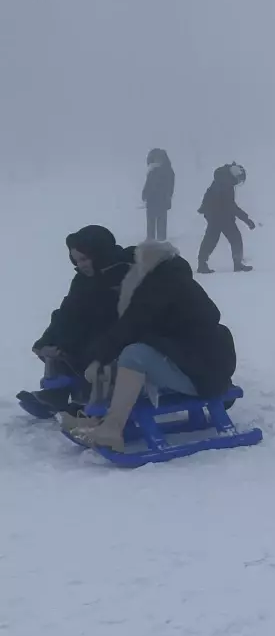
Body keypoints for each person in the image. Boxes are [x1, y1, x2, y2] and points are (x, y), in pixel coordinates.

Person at [59, 240, 238, 453]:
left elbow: (132, 324)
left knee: (135, 355)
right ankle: (98, 420)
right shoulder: (171, 279)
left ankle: (112, 429)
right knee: (130, 354)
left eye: (136, 262)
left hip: (203, 374)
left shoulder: (161, 285)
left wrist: (97, 358)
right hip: (197, 366)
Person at [17, 226, 134, 417]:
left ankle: (87, 398)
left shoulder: (123, 275)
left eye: (85, 259)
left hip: (120, 342)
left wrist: (66, 343)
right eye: (77, 260)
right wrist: (45, 343)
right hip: (94, 340)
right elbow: (67, 312)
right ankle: (57, 393)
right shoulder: (83, 279)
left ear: (100, 254)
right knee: (61, 330)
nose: (81, 265)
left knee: (76, 341)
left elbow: (109, 318)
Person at [197, 163, 255, 273]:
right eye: (239, 179)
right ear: (236, 175)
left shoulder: (223, 180)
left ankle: (203, 263)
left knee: (218, 239)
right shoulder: (225, 184)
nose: (239, 182)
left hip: (219, 215)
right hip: (218, 215)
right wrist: (246, 220)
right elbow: (231, 205)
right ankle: (203, 264)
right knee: (217, 239)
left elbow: (228, 204)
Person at [142, 149, 175, 241]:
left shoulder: (167, 170)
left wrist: (168, 197)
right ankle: (151, 239)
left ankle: (160, 240)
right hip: (152, 199)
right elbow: (148, 184)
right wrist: (144, 193)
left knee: (161, 222)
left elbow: (170, 186)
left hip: (162, 199)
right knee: (151, 222)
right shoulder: (152, 170)